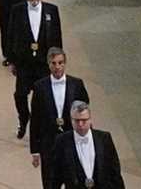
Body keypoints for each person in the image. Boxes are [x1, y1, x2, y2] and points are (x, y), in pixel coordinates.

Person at [8, 0, 64, 139]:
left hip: (43, 63)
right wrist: (12, 60)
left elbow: (57, 37)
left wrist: (58, 61)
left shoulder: (51, 11)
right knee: (20, 94)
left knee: (44, 97)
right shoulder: (17, 10)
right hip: (24, 62)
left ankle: (42, 126)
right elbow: (11, 35)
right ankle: (23, 118)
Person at [31, 48, 91, 189]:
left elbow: (85, 113)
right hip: (49, 146)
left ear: (65, 63)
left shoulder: (77, 84)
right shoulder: (39, 87)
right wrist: (35, 150)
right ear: (48, 64)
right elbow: (35, 119)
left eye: (60, 62)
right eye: (53, 63)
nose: (57, 67)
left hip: (72, 143)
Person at [49, 102, 125, 189]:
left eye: (84, 120)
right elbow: (55, 176)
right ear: (71, 120)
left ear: (90, 120)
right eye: (77, 120)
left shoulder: (104, 138)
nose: (80, 124)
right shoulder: (62, 141)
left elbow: (115, 171)